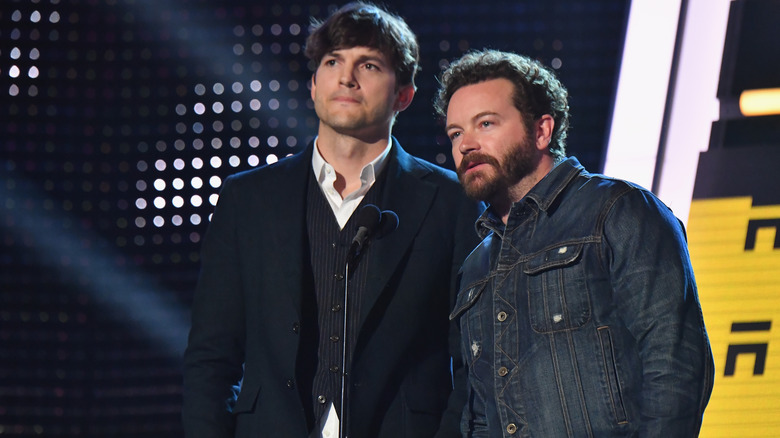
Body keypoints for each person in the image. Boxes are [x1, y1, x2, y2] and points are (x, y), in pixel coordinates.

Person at [182, 3, 484, 438]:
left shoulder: (451, 201)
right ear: (313, 85)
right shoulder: (248, 197)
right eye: (332, 62)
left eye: (369, 64)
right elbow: (212, 356)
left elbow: (474, 359)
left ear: (404, 94)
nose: (346, 77)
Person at [433, 49, 714, 437]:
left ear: (542, 130)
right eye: (455, 133)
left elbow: (676, 365)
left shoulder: (617, 210)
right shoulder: (476, 267)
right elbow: (478, 411)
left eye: (485, 123)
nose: (465, 145)